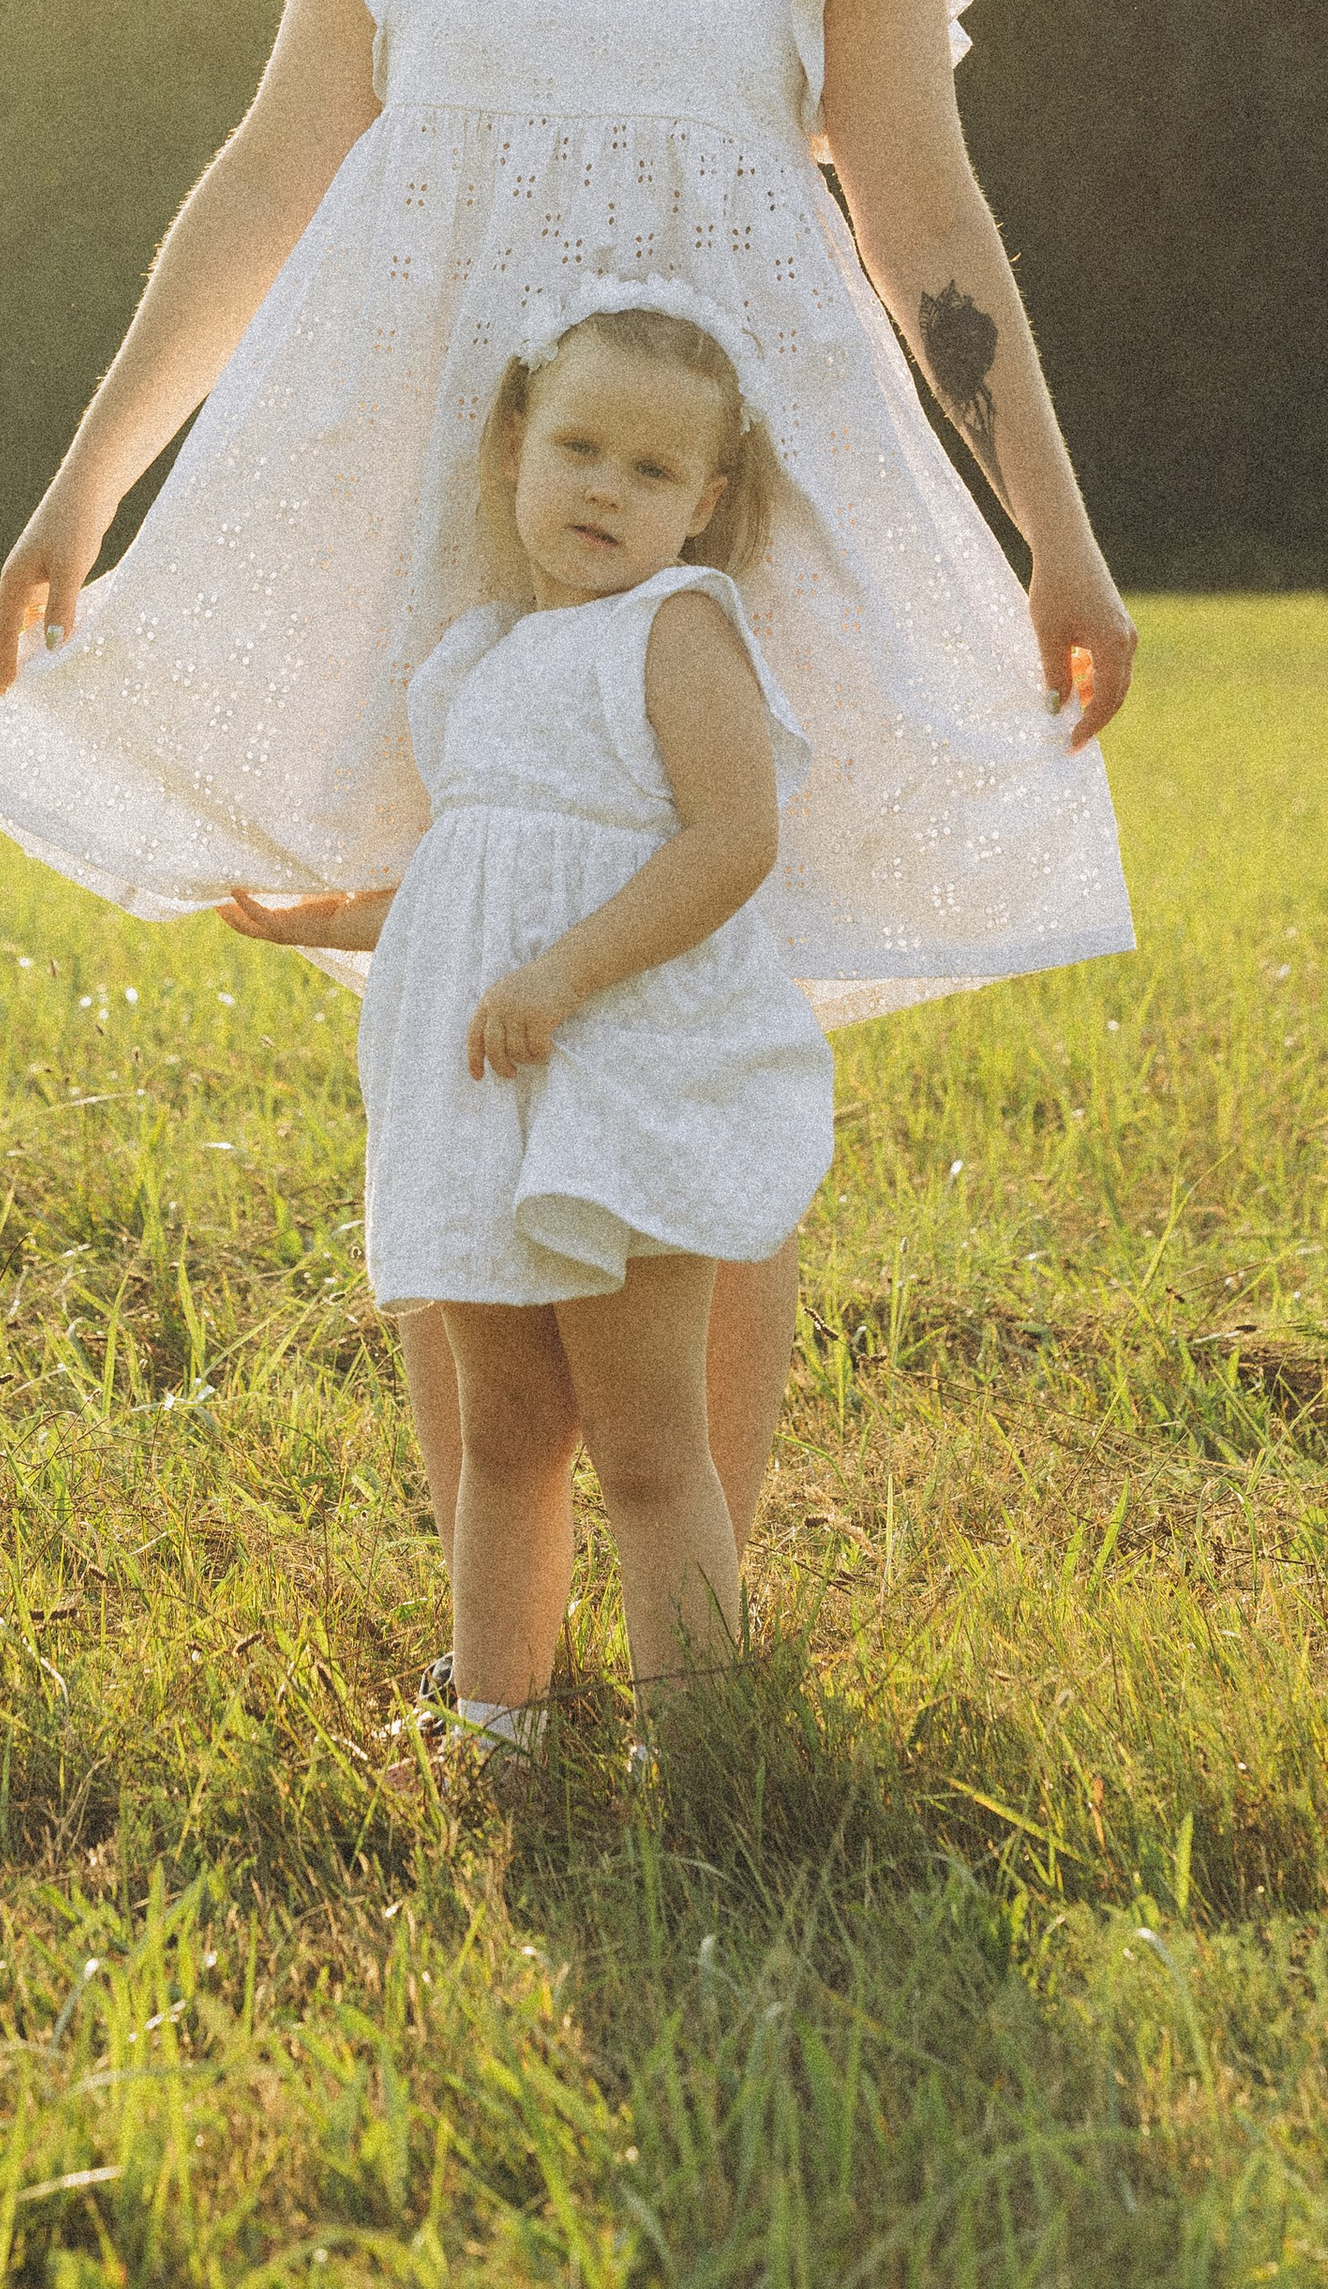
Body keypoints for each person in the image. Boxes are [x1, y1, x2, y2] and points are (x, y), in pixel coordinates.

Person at [0, 0, 1136, 1592]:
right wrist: (92, 473)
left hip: (723, 514)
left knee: (699, 996)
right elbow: (268, 174)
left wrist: (1051, 532)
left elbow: (929, 230)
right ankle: (498, 1645)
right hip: (453, 495)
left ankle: (698, 1625)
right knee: (462, 975)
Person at [222, 287, 834, 1743]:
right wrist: (328, 920)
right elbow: (463, 873)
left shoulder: (678, 633)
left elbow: (732, 842)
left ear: (706, 502)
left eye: (651, 471)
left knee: (641, 1445)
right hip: (484, 1093)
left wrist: (565, 975)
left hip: (618, 1076)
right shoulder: (480, 662)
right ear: (511, 451)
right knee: (505, 1430)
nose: (604, 491)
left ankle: (705, 1753)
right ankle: (499, 1730)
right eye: (578, 449)